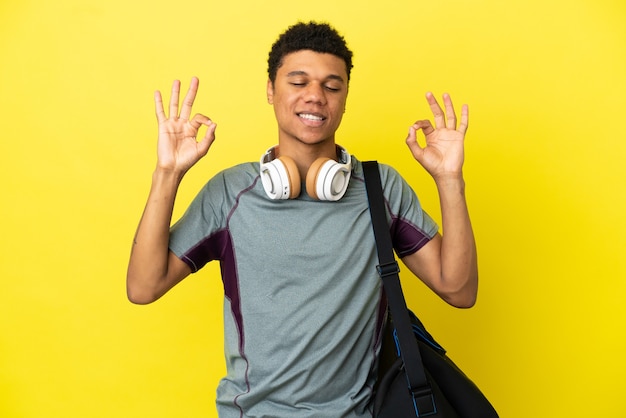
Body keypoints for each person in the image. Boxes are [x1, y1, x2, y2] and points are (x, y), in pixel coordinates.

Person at [127, 21, 477, 418]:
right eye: (298, 82)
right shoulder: (229, 193)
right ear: (271, 90)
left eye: (332, 86)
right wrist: (167, 173)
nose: (316, 97)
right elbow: (143, 286)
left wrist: (450, 181)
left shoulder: (381, 189)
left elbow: (459, 291)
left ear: (345, 98)